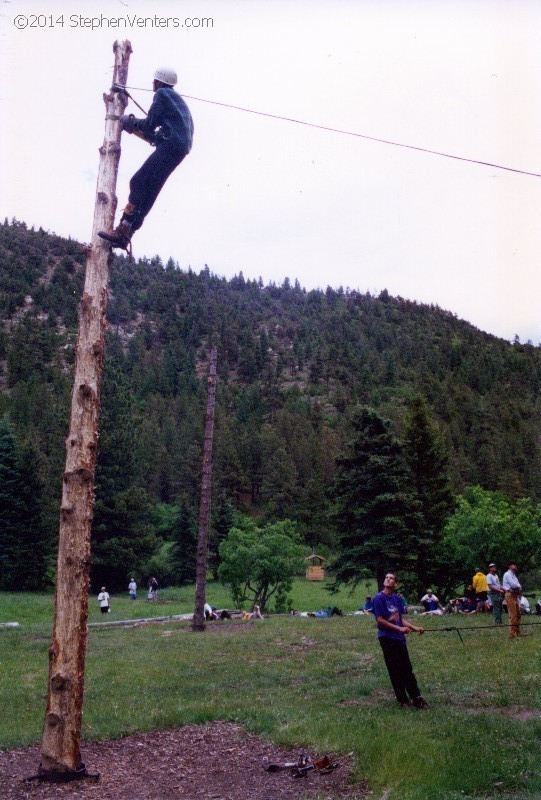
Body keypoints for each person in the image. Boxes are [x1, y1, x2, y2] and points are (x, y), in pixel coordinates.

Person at [98, 67, 194, 252]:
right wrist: (139, 128)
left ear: (158, 82)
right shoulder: (177, 102)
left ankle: (124, 229)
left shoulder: (162, 95)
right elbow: (158, 134)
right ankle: (127, 233)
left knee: (139, 181)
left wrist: (130, 122)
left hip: (171, 146)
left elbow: (150, 126)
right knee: (150, 189)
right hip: (178, 150)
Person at [373, 572, 428, 709]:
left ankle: (416, 697)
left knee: (407, 669)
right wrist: (399, 629)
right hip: (386, 637)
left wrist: (414, 628)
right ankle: (403, 700)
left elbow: (400, 619)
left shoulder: (397, 599)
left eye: (391, 578)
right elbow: (380, 620)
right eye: (386, 577)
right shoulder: (378, 598)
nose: (388, 579)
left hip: (399, 638)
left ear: (395, 584)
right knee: (395, 669)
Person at [502, 561, 523, 638]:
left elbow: (519, 586)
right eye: (513, 565)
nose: (515, 566)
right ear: (509, 566)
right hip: (509, 594)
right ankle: (512, 633)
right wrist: (517, 586)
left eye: (515, 564)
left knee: (518, 614)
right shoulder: (507, 574)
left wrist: (517, 586)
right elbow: (514, 585)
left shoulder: (514, 575)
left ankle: (517, 632)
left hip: (515, 595)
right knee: (513, 615)